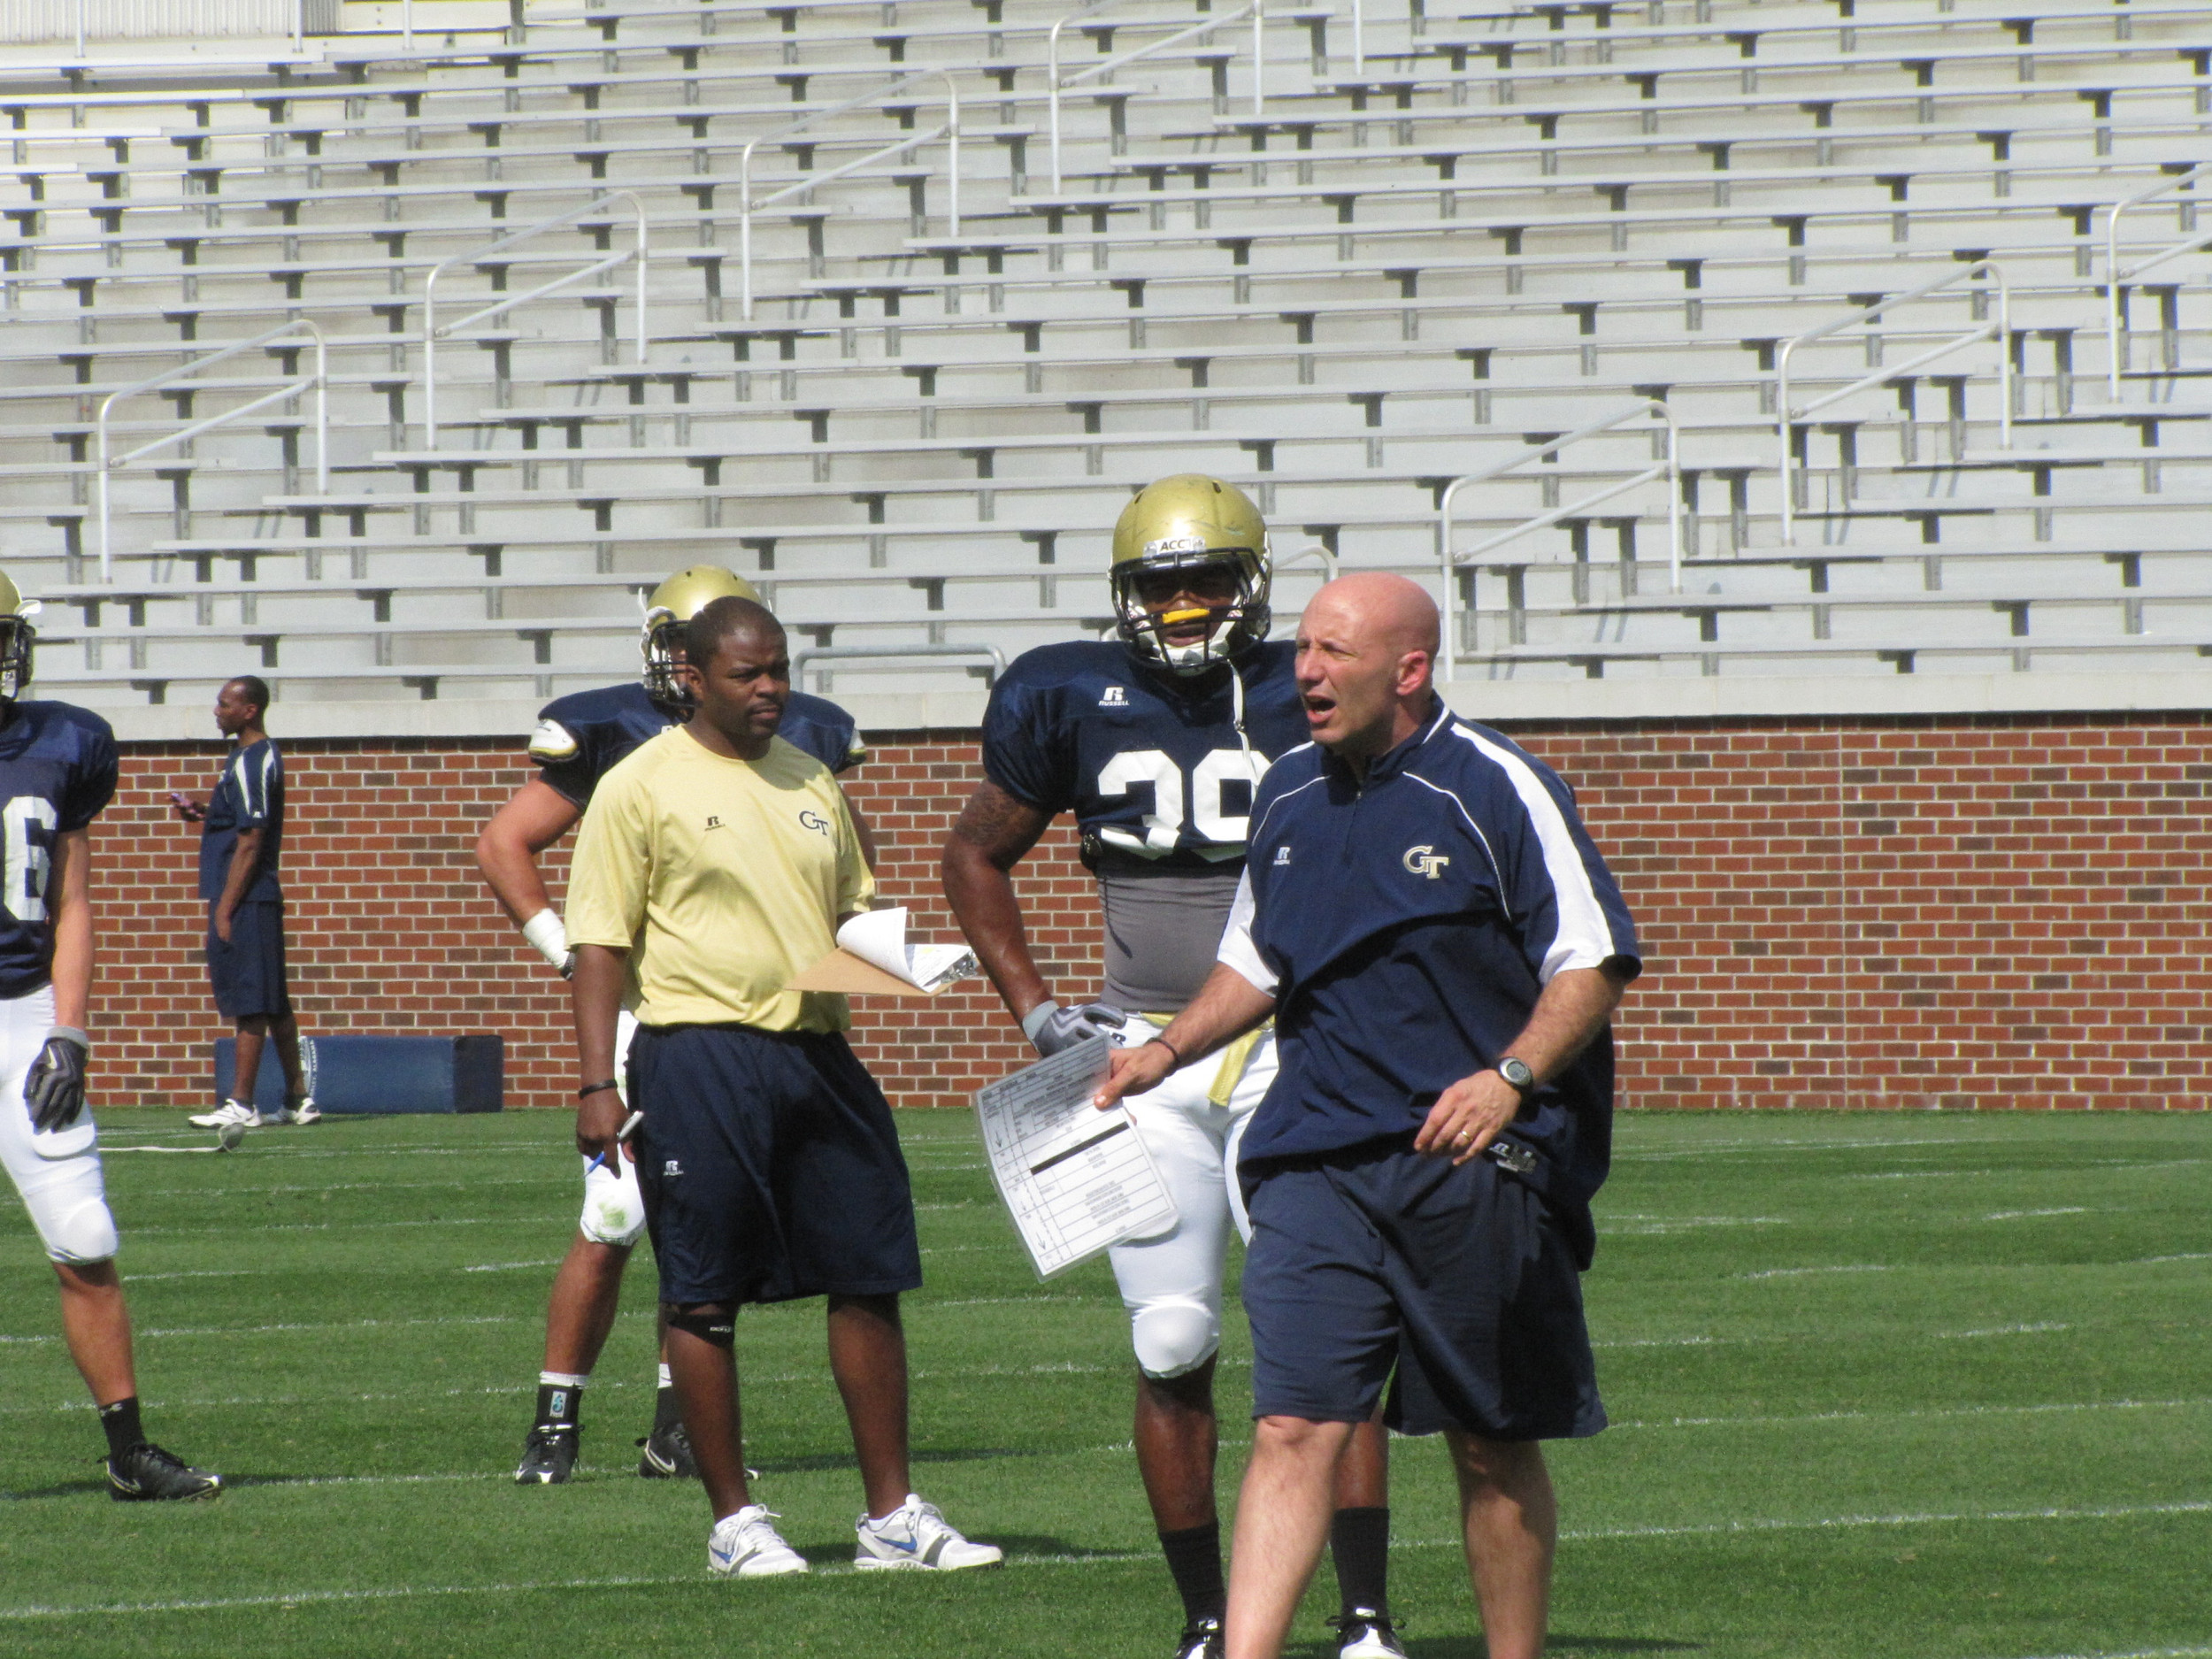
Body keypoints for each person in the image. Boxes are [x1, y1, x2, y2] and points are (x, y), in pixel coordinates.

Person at [1095, 572, 1640, 1659]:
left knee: (1489, 1445)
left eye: (1332, 652)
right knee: (1293, 1424)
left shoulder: (1495, 787)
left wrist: (1509, 1080)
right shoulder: (1290, 789)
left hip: (1469, 1164)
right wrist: (1161, 1050)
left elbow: (1590, 959)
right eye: (1301, 648)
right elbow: (1257, 958)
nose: (1304, 671)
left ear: (1408, 668)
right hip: (1314, 1163)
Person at [942, 476, 1397, 1659]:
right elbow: (974, 852)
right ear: (1125, 594)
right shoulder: (1065, 691)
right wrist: (1039, 1013)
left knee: (1331, 1332)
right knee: (1171, 1339)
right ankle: (1207, 1617)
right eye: (1162, 583)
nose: (1185, 605)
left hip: (1295, 1050)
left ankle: (1362, 1617)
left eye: (1206, 581)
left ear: (1252, 585)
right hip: (1141, 1051)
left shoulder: (1307, 683)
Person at [565, 594, 1000, 1578]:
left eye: (779, 672)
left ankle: (890, 1518)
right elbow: (598, 942)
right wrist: (596, 1081)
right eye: (746, 675)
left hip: (815, 1054)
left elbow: (847, 921)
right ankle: (735, 1524)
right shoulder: (638, 784)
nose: (769, 691)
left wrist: (910, 960)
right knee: (706, 1291)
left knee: (869, 1275)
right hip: (695, 1055)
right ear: (694, 676)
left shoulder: (812, 779)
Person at [475, 566, 872, 1485]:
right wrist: (564, 950)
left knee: (709, 1220)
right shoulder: (621, 736)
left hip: (762, 1026)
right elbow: (504, 842)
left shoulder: (797, 734)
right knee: (615, 1213)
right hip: (650, 1013)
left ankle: (673, 1426)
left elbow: (845, 885)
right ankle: (555, 1415)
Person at [0, 571, 221, 1500]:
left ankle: (128, 1448)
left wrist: (73, 1032)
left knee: (85, 1233)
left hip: (21, 1009)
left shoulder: (63, 742)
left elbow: (74, 901)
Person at [175, 676, 314, 1130]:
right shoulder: (242, 758)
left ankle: (241, 1102)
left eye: (225, 704)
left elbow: (252, 838)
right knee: (274, 1002)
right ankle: (298, 1098)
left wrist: (225, 906)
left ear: (249, 709)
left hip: (248, 897)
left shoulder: (253, 759)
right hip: (254, 896)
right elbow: (240, 821)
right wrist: (204, 811)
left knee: (251, 999)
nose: (217, 711)